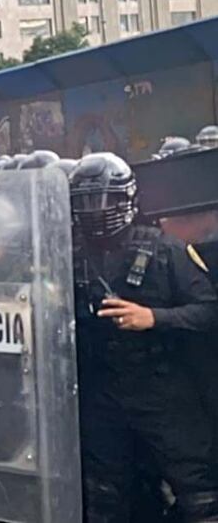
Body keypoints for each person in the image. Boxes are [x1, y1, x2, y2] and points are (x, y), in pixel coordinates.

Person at [71, 153, 218, 522]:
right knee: (105, 494)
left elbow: (208, 311)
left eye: (105, 200)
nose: (96, 211)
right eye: (86, 202)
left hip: (162, 388)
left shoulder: (166, 250)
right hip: (101, 390)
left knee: (197, 493)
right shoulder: (67, 255)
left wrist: (153, 317)